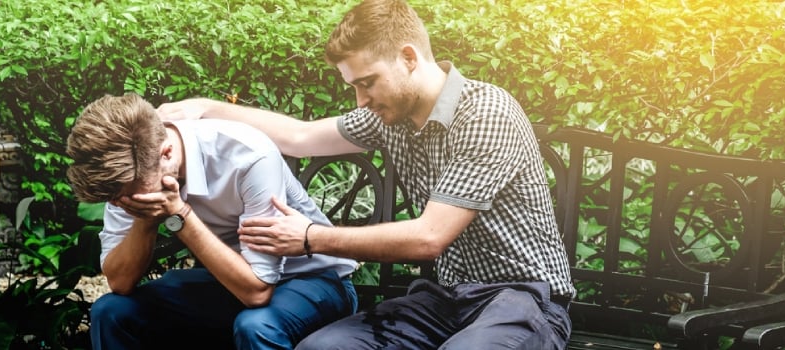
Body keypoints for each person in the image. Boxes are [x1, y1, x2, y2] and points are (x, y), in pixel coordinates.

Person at [157, 0, 575, 348]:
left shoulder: (485, 112)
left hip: (524, 299)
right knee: (323, 348)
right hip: (445, 300)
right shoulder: (389, 118)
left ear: (409, 58)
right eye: (353, 87)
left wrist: (309, 238)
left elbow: (430, 237)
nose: (360, 99)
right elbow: (300, 137)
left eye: (368, 82)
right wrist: (207, 107)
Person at [65, 93, 359, 350]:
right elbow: (119, 281)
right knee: (112, 311)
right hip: (228, 283)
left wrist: (181, 215)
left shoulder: (247, 155)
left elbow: (257, 291)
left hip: (316, 280)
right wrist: (145, 219)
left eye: (127, 195)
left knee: (256, 325)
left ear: (165, 152)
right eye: (114, 199)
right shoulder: (126, 177)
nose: (120, 203)